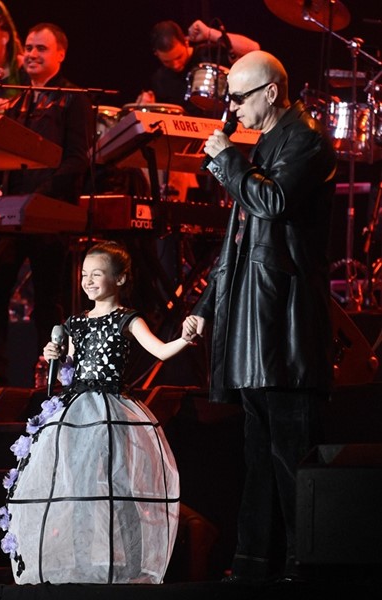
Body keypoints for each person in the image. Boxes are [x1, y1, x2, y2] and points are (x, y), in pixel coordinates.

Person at [184, 50, 337, 584]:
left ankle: (304, 566)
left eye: (238, 97)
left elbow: (273, 204)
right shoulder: (264, 146)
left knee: (292, 456)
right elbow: (239, 241)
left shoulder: (307, 141)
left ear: (271, 92)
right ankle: (255, 565)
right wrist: (205, 307)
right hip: (253, 322)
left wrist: (228, 159)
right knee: (257, 454)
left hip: (286, 326)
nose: (231, 108)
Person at [0, 240, 198, 584]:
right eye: (84, 274)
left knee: (119, 486)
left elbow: (161, 352)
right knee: (76, 486)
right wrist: (54, 354)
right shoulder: (76, 323)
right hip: (76, 411)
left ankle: (130, 564)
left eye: (96, 274)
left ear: (120, 278)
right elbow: (68, 364)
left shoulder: (128, 319)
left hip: (112, 409)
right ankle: (82, 562)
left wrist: (186, 338)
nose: (88, 281)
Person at [0, 22, 94, 386]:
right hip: (11, 214)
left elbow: (77, 160)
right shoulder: (19, 100)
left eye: (41, 48)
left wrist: (41, 195)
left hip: (48, 213)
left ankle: (54, 380)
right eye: (28, 47)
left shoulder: (73, 99)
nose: (32, 54)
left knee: (48, 300)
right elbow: (1, 158)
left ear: (61, 54)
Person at [138, 19, 260, 116]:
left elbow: (254, 49)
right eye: (167, 62)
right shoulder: (159, 79)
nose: (176, 65)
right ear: (156, 54)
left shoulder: (207, 53)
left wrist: (209, 33)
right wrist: (149, 106)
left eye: (179, 57)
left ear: (186, 42)